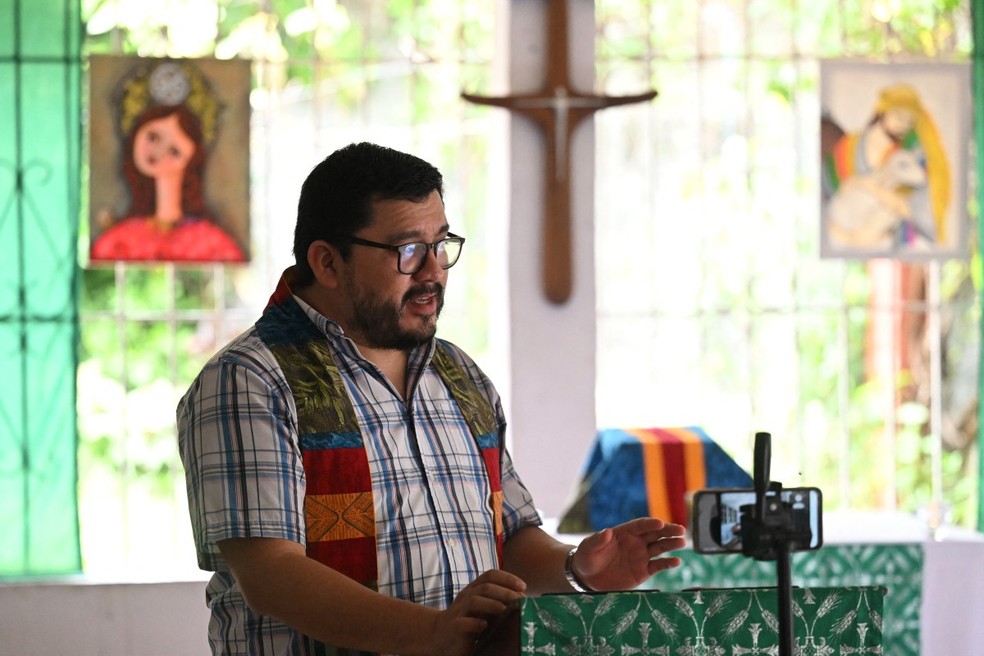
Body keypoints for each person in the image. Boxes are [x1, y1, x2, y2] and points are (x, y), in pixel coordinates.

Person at [177, 142, 687, 656]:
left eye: (440, 244)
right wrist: (431, 633)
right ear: (328, 262)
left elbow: (509, 535)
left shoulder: (458, 373)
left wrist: (575, 567)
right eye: (407, 250)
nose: (433, 272)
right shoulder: (250, 380)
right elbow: (272, 575)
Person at [91, 63, 247, 262]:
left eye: (174, 150)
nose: (158, 152)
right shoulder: (115, 243)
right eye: (153, 137)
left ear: (192, 159)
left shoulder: (214, 244)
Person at [821, 83, 950, 252]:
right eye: (898, 115)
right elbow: (827, 192)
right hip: (839, 234)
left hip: (887, 243)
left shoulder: (907, 155)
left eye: (909, 120)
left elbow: (912, 210)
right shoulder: (848, 147)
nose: (903, 124)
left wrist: (869, 188)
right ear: (883, 111)